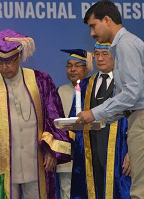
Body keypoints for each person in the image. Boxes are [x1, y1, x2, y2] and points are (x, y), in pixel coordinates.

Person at [0, 29, 71, 199]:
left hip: (36, 161)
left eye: (9, 62)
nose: (4, 67)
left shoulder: (41, 81)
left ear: (19, 57)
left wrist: (51, 150)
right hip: (3, 164)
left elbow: (54, 117)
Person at [78, 1, 144, 197]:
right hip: (136, 117)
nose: (91, 33)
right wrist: (101, 120)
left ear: (107, 20)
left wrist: (94, 112)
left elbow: (132, 94)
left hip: (140, 120)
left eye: (93, 26)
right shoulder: (125, 44)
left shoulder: (125, 45)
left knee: (140, 191)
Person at [70, 42, 131, 199]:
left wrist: (133, 152)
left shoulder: (129, 85)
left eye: (105, 54)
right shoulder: (84, 85)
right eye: (96, 54)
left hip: (120, 152)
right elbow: (73, 120)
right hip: (89, 154)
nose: (100, 58)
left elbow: (139, 121)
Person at [56, 49, 93, 199]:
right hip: (68, 157)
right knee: (67, 192)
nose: (72, 69)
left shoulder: (93, 89)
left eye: (78, 65)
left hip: (90, 153)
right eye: (69, 65)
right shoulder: (60, 91)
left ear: (88, 68)